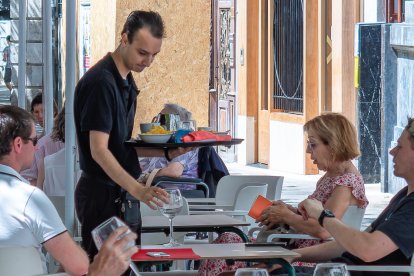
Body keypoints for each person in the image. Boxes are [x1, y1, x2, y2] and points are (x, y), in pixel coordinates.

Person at [197, 112, 369, 275]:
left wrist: (286, 216)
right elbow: (316, 217)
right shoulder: (331, 177)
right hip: (293, 247)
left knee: (229, 242)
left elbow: (323, 230)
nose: (309, 151)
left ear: (333, 145)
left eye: (313, 144)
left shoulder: (346, 184)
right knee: (229, 238)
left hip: (308, 258)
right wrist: (287, 211)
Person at [73, 10, 180, 260]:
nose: (148, 61)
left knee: (126, 267)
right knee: (105, 268)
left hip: (119, 193)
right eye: (143, 52)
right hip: (102, 195)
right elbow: (99, 150)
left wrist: (167, 151)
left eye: (155, 55)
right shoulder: (101, 82)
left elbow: (118, 144)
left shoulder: (124, 79)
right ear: (124, 39)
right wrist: (138, 189)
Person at [0, 105, 138, 276]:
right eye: (35, 141)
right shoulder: (28, 198)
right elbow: (79, 266)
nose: (37, 148)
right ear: (18, 144)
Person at [275, 117, 414, 276]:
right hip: (337, 269)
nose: (391, 151)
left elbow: (367, 249)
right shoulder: (403, 196)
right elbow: (351, 243)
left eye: (400, 147)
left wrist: (322, 215)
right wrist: (292, 256)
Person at [20, 105, 65, 186]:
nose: (40, 116)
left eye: (43, 111)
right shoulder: (42, 145)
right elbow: (27, 179)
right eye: (36, 112)